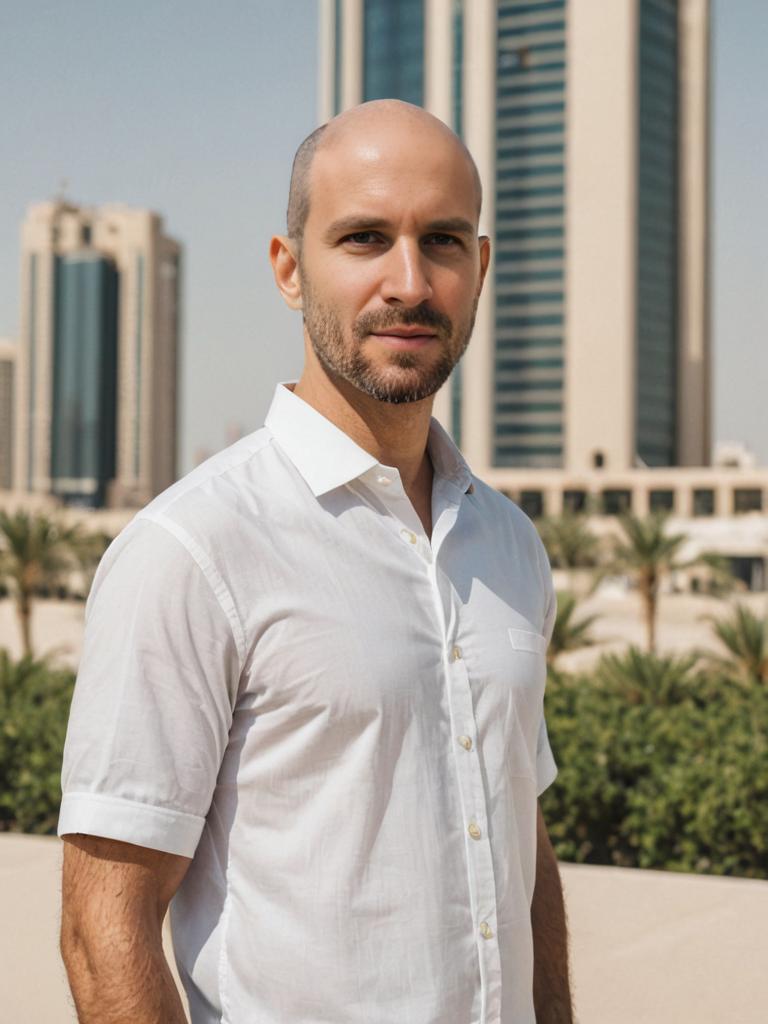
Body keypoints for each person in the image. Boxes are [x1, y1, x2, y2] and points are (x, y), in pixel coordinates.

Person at [59, 99, 573, 1024]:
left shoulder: (510, 544)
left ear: (481, 268)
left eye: (445, 242)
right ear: (290, 270)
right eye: (365, 238)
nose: (409, 282)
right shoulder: (191, 550)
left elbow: (519, 844)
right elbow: (106, 929)